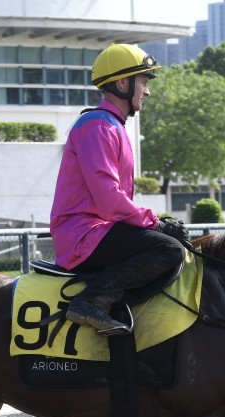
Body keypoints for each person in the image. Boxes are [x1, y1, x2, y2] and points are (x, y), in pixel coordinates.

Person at [49, 43, 189, 336]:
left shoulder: (110, 125)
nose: (147, 91)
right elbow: (111, 201)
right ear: (123, 83)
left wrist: (156, 223)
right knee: (169, 249)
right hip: (84, 235)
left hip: (96, 231)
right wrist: (156, 224)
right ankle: (90, 302)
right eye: (144, 82)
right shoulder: (98, 127)